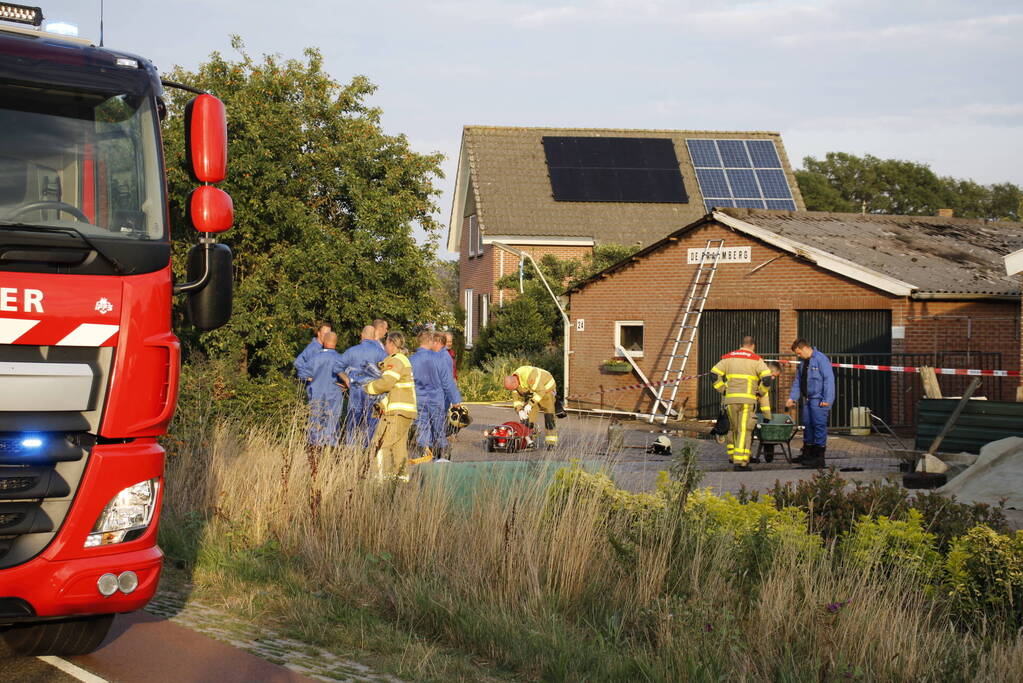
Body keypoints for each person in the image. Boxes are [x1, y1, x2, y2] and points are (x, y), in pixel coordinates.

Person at [711, 336, 773, 471]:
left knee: (734, 429)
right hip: (747, 401)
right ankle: (741, 462)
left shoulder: (728, 358)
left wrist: (723, 390)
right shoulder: (756, 360)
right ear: (753, 346)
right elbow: (767, 379)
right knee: (744, 430)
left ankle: (734, 457)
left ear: (741, 344)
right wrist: (760, 392)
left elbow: (714, 374)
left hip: (731, 401)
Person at [364, 332, 417, 481]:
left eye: (386, 343)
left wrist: (368, 388)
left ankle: (380, 480)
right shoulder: (403, 360)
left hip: (396, 412)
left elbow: (387, 383)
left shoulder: (396, 361)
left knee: (380, 445)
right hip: (405, 412)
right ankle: (401, 480)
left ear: (392, 344)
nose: (385, 346)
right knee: (398, 447)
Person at [410, 331, 462, 462]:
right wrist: (455, 400)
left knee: (422, 429)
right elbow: (447, 381)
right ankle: (443, 457)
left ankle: (426, 457)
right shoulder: (439, 359)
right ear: (430, 342)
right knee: (439, 429)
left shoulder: (411, 360)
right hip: (436, 399)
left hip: (419, 399)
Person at [786, 338, 835, 468]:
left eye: (798, 353)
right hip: (807, 399)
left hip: (819, 400)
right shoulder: (803, 362)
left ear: (805, 348)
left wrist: (827, 400)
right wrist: (792, 397)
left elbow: (828, 380)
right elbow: (798, 381)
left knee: (818, 426)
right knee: (808, 425)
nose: (798, 356)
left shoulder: (821, 359)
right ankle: (807, 454)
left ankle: (819, 457)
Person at [337, 325, 387, 446]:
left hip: (355, 392)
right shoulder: (381, 353)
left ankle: (351, 451)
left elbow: (336, 367)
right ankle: (365, 452)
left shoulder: (352, 351)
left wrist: (346, 379)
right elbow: (387, 372)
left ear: (362, 335)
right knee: (371, 423)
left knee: (353, 423)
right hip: (373, 394)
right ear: (374, 337)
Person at [300, 331, 346, 450]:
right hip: (334, 396)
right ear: (336, 343)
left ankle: (314, 450)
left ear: (324, 342)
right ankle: (329, 450)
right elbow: (348, 378)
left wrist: (312, 379)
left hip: (316, 394)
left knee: (315, 423)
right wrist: (343, 385)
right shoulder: (340, 359)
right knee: (332, 422)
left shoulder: (315, 358)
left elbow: (302, 373)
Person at [503, 365, 565, 449]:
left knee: (549, 417)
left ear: (515, 382)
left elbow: (540, 392)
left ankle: (551, 443)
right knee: (527, 418)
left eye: (514, 388)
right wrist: (520, 410)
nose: (515, 389)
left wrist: (530, 404)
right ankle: (528, 442)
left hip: (546, 391)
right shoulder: (514, 381)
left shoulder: (530, 376)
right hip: (533, 393)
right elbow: (516, 399)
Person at [293, 321, 331, 399]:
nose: (327, 337)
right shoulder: (313, 348)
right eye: (325, 334)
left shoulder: (324, 348)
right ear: (319, 333)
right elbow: (297, 363)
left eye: (329, 334)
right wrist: (310, 378)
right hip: (315, 391)